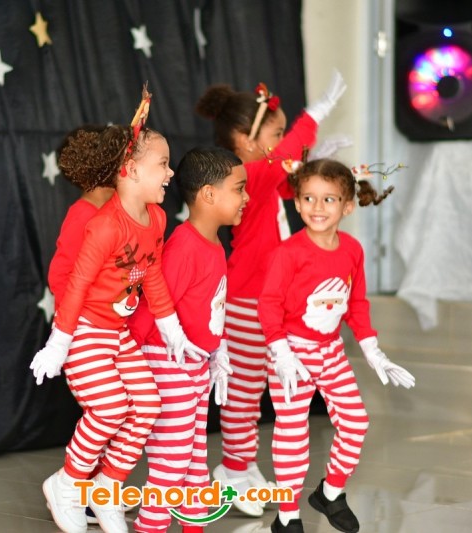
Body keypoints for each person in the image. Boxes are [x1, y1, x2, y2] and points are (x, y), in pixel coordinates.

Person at [29, 87, 207, 533]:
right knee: (109, 409)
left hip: (118, 333)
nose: (171, 172)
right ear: (130, 170)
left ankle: (105, 489)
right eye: (163, 164)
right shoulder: (104, 226)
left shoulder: (157, 219)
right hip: (86, 331)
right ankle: (67, 485)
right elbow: (75, 285)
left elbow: (152, 276)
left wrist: (173, 331)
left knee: (147, 405)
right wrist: (58, 345)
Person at [196, 72, 347, 514]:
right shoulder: (245, 175)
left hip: (267, 298)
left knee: (258, 389)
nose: (282, 142)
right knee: (244, 391)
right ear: (246, 140)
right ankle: (232, 468)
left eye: (283, 134)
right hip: (247, 298)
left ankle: (242, 465)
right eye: (275, 134)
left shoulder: (259, 177)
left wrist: (316, 162)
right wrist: (312, 118)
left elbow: (288, 178)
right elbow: (283, 160)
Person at [257, 159, 415, 533]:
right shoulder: (288, 253)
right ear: (297, 203)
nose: (317, 207)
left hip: (331, 352)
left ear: (347, 206)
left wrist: (372, 349)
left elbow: (356, 303)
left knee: (356, 422)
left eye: (329, 199)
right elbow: (269, 304)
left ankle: (330, 493)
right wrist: (280, 351)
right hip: (291, 354)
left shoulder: (352, 250)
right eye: (308, 198)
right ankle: (287, 515)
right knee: (292, 432)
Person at [127, 146, 248, 532]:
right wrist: (129, 363)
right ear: (209, 194)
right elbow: (150, 310)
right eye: (239, 189)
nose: (246, 197)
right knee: (171, 462)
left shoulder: (214, 245)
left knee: (195, 460)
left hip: (195, 368)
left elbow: (212, 309)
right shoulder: (183, 246)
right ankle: (150, 526)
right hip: (168, 366)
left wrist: (218, 350)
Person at [48, 124, 115, 303]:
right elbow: (60, 275)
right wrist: (77, 316)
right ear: (101, 167)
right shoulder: (82, 217)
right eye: (117, 159)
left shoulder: (116, 211)